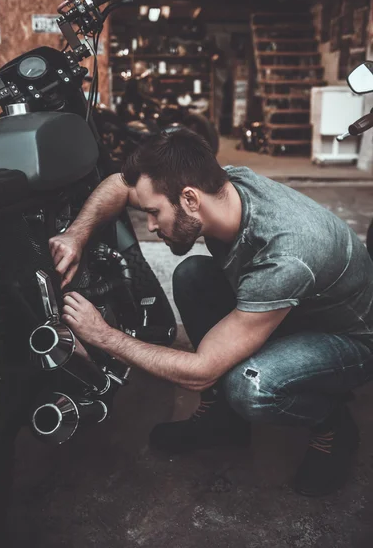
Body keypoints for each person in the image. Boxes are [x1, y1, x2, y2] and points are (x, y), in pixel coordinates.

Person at [49, 128, 373, 497]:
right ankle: (225, 422)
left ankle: (332, 423)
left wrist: (104, 335)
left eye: (153, 213)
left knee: (251, 385)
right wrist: (76, 235)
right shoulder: (218, 187)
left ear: (189, 199)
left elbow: (201, 371)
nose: (151, 226)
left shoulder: (286, 254)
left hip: (346, 339)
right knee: (192, 275)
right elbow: (122, 185)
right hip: (290, 306)